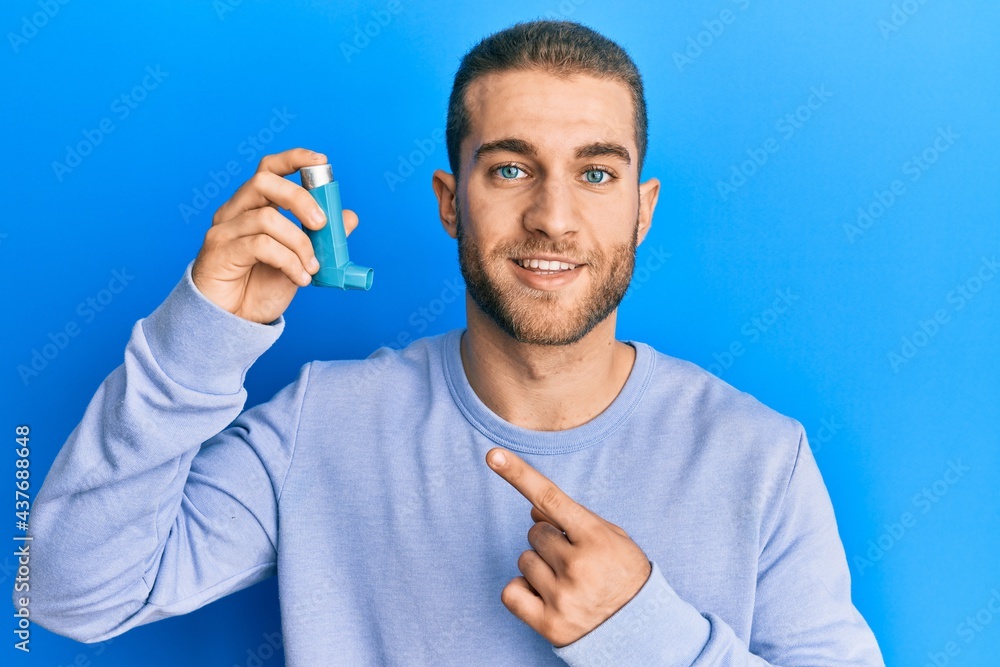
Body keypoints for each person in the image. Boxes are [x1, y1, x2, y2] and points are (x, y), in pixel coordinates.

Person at [22, 19, 885, 666]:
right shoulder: (323, 424)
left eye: (595, 173)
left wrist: (642, 630)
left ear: (642, 209)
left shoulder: (761, 458)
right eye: (510, 168)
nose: (552, 216)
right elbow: (70, 593)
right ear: (449, 201)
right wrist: (201, 337)